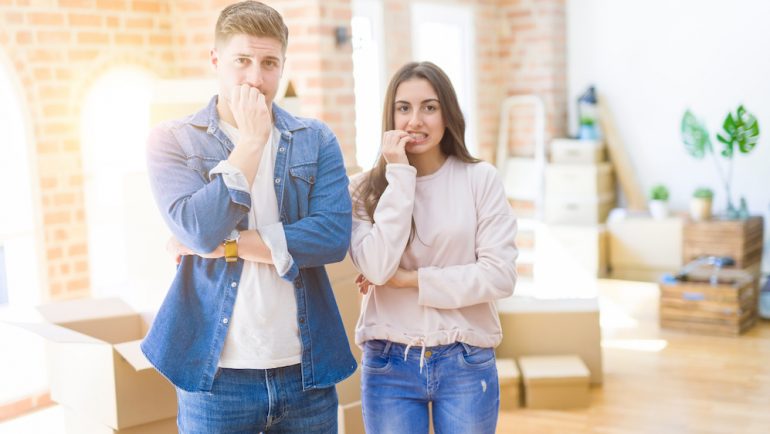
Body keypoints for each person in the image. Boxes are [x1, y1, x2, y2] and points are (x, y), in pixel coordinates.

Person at [141, 1, 355, 432]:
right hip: (216, 377)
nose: (256, 77)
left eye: (269, 63)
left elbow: (332, 236)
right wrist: (253, 142)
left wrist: (231, 245)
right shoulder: (171, 140)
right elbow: (198, 230)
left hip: (305, 371)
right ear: (216, 60)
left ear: (283, 66)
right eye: (243, 60)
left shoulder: (315, 140)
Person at [349, 61, 518, 434]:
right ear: (389, 116)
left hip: (466, 359)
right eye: (404, 108)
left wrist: (410, 280)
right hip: (389, 362)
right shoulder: (363, 190)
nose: (415, 121)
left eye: (429, 107)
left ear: (448, 114)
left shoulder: (480, 180)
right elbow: (377, 269)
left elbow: (500, 276)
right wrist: (400, 175)